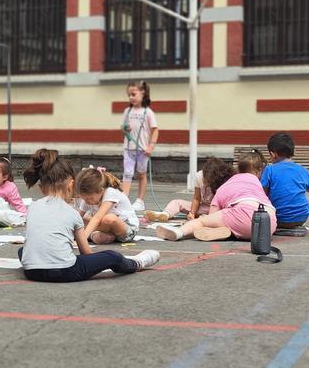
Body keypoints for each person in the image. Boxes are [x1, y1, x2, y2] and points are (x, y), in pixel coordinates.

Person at [17, 148, 158, 283]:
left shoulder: (32, 207)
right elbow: (86, 253)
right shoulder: (72, 213)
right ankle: (136, 263)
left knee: (23, 250)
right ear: (71, 185)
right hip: (64, 271)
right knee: (112, 256)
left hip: (32, 271)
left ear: (42, 188)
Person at [155, 151, 275, 241]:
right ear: (259, 171)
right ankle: (228, 231)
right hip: (268, 223)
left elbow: (213, 214)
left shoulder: (227, 185)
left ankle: (179, 232)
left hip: (242, 215)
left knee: (202, 222)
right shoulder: (256, 184)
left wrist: (206, 221)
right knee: (236, 222)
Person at [146, 157, 233, 223]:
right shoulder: (199, 176)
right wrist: (192, 213)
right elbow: (196, 198)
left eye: (208, 180)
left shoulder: (223, 180)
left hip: (219, 209)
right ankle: (165, 214)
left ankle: (206, 219)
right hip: (204, 207)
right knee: (177, 202)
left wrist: (212, 215)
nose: (205, 181)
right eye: (205, 178)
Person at [74, 167, 140, 245]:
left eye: (89, 198)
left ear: (101, 191)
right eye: (84, 199)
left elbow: (97, 218)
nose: (87, 202)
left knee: (108, 218)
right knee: (80, 219)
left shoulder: (110, 192)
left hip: (126, 230)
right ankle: (101, 236)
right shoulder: (87, 198)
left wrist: (82, 239)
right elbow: (78, 217)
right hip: (106, 229)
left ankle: (86, 234)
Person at [261, 132, 309, 228]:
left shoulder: (270, 170)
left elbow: (262, 193)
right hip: (302, 217)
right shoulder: (303, 170)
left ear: (273, 154)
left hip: (279, 218)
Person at [120, 80, 158, 212]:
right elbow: (123, 128)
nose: (131, 97)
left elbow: (155, 130)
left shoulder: (148, 112)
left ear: (143, 93)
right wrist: (126, 128)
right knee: (127, 173)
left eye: (133, 94)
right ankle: (124, 199)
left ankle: (140, 201)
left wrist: (151, 146)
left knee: (141, 174)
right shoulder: (127, 111)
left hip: (142, 150)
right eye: (129, 95)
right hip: (129, 148)